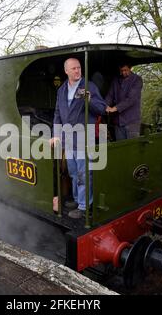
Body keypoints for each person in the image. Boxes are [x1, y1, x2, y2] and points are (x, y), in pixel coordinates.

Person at [50, 58, 106, 219]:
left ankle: (84, 206)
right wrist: (55, 134)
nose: (77, 71)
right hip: (68, 139)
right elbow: (57, 114)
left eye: (79, 68)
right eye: (73, 68)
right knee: (73, 172)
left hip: (83, 137)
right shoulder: (61, 90)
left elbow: (101, 109)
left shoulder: (88, 87)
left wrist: (89, 99)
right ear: (66, 71)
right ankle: (76, 199)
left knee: (83, 173)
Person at [105, 63, 143, 140]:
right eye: (121, 71)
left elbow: (131, 99)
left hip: (132, 122)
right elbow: (110, 95)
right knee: (120, 148)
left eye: (125, 70)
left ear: (130, 68)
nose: (123, 73)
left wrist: (115, 108)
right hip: (118, 122)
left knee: (132, 148)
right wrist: (105, 106)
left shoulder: (137, 80)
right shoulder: (116, 80)